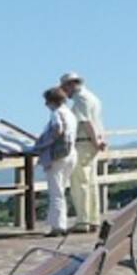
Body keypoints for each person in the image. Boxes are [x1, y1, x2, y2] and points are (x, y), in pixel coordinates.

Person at [60, 71, 107, 233]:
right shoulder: (93, 97)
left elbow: (87, 123)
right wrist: (99, 141)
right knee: (91, 182)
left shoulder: (81, 99)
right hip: (91, 144)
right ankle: (93, 219)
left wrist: (95, 141)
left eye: (65, 88)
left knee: (80, 184)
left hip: (83, 143)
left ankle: (83, 221)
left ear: (70, 85)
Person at [32, 86, 77, 236]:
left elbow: (58, 129)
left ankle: (58, 226)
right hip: (70, 154)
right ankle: (60, 223)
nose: (46, 105)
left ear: (52, 101)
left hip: (58, 156)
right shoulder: (70, 113)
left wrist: (44, 144)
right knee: (61, 190)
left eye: (47, 101)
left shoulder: (57, 113)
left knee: (55, 191)